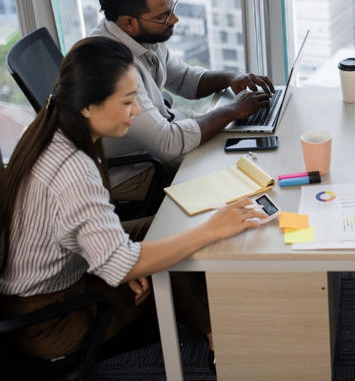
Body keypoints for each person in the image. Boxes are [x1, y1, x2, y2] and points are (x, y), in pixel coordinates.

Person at [0, 37, 267, 363]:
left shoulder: (55, 124)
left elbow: (88, 236)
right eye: (127, 101)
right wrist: (210, 230)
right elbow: (119, 263)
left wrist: (127, 259)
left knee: (171, 226)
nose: (137, 110)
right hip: (52, 320)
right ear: (88, 105)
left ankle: (219, 322)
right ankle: (221, 344)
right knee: (184, 246)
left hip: (70, 273)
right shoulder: (72, 171)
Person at [91, 0, 275, 197]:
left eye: (171, 9)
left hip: (163, 140)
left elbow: (185, 80)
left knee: (247, 156)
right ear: (129, 22)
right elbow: (168, 144)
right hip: (135, 173)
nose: (174, 20)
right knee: (236, 180)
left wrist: (231, 78)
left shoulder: (142, 36)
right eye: (163, 17)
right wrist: (231, 111)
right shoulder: (111, 68)